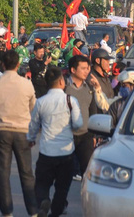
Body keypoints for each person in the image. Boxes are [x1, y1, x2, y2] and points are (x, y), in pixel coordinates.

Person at [0, 50, 39, 217]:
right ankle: (33, 211)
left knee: (3, 173)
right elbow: (33, 107)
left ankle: (7, 212)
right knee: (27, 174)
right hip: (22, 131)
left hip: (2, 131)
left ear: (2, 64)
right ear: (18, 64)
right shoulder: (26, 84)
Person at [28, 66, 83, 217]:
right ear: (61, 81)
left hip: (47, 152)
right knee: (62, 188)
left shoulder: (41, 102)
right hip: (66, 153)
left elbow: (33, 125)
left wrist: (30, 139)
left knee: (41, 184)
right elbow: (78, 124)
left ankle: (43, 202)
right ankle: (56, 212)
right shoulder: (70, 101)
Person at [64, 55, 101, 180]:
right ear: (73, 70)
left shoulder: (89, 87)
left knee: (87, 172)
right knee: (64, 173)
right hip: (67, 135)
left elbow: (93, 111)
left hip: (86, 135)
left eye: (88, 68)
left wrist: (94, 134)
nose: (87, 71)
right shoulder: (64, 87)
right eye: (83, 68)